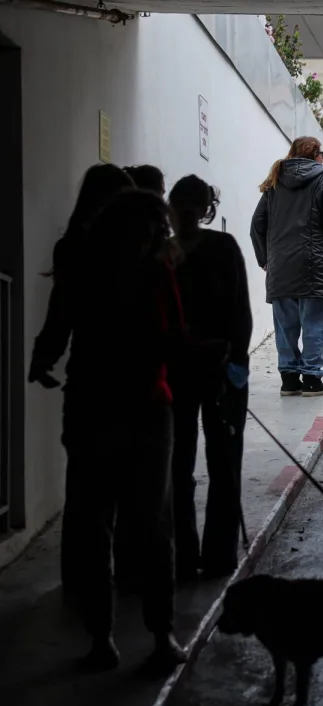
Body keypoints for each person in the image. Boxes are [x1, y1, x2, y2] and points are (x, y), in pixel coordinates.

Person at [33, 189, 193, 672]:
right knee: (149, 525)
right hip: (143, 406)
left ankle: (105, 639)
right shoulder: (155, 271)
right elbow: (175, 339)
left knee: (95, 523)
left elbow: (57, 324)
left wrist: (42, 361)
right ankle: (158, 636)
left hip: (92, 406)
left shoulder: (85, 266)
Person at [28, 164, 135, 603]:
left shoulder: (72, 247)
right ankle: (128, 575)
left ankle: (80, 582)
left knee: (84, 488)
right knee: (132, 488)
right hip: (133, 381)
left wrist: (43, 357)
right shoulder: (136, 249)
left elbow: (61, 313)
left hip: (87, 381)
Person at [168, 175, 253, 582]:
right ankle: (213, 557)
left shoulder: (163, 254)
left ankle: (188, 558)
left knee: (180, 467)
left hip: (185, 373)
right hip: (212, 372)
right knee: (217, 466)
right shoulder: (221, 248)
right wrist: (236, 368)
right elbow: (242, 316)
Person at [251, 136, 323, 397]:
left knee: (286, 325)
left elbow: (257, 224)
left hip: (281, 267)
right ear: (316, 155)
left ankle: (289, 379)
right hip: (316, 265)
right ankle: (312, 379)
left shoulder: (274, 181)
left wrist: (265, 260)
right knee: (314, 322)